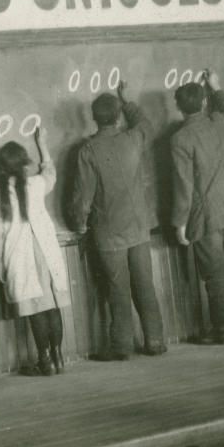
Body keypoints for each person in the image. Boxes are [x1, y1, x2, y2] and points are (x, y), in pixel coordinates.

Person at [71, 80, 165, 360]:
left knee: (118, 290)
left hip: (109, 232)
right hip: (138, 227)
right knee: (145, 286)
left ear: (93, 117)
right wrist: (127, 101)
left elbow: (83, 197)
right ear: (118, 116)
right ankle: (155, 341)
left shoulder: (88, 151)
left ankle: (121, 346)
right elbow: (146, 124)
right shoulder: (133, 138)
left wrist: (79, 224)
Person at [0, 127, 70, 376]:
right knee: (52, 307)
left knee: (35, 310)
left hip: (21, 259)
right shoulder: (36, 183)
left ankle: (45, 361)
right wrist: (42, 144)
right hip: (46, 253)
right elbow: (50, 172)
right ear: (24, 165)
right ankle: (58, 356)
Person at [171, 70, 224, 344]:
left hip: (205, 213)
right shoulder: (217, 122)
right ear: (204, 103)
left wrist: (180, 223)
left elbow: (184, 186)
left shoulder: (180, 139)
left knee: (214, 272)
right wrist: (217, 87)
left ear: (179, 108)